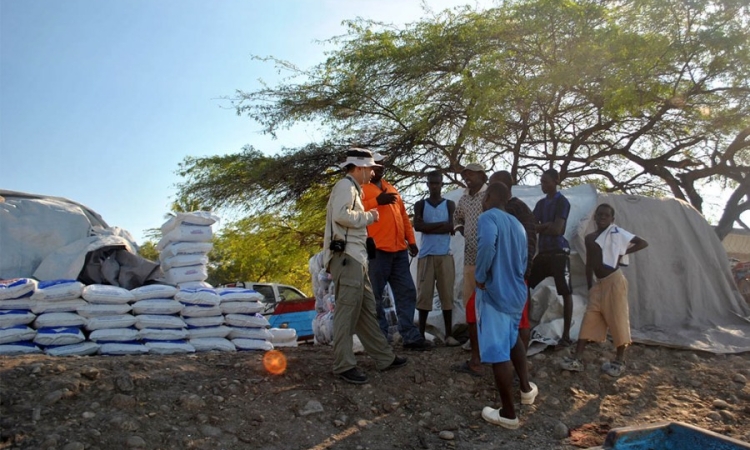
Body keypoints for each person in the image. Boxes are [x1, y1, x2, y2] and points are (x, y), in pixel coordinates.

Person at [324, 148, 408, 384]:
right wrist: (369, 217)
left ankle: (384, 358)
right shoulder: (346, 186)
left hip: (356, 258)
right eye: (370, 168)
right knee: (347, 311)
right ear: (359, 167)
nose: (373, 172)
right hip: (347, 257)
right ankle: (343, 365)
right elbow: (342, 216)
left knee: (366, 311)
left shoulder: (353, 188)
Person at [475, 182, 538, 429]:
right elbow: (524, 260)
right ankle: (525, 390)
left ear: (490, 196)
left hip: (496, 294)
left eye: (484, 195)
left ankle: (509, 414)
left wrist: (480, 277)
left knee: (499, 353)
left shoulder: (488, 217)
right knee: (513, 341)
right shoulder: (518, 225)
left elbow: (487, 246)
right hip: (516, 293)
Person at [560, 203, 648, 377]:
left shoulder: (617, 234)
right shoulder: (591, 238)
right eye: (599, 215)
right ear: (595, 217)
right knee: (589, 317)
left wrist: (623, 252)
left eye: (606, 216)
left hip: (614, 282)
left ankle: (619, 360)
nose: (602, 218)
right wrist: (589, 284)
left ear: (612, 219)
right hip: (599, 283)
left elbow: (642, 242)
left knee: (617, 318)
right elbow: (590, 263)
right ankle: (577, 358)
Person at [362, 153, 432, 351]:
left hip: (399, 250)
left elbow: (402, 216)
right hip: (377, 250)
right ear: (368, 167)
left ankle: (409, 336)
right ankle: (380, 340)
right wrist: (377, 201)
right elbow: (355, 211)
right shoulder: (360, 189)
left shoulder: (391, 188)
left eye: (383, 164)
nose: (380, 167)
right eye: (376, 164)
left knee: (407, 292)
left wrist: (411, 240)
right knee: (375, 296)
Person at [489, 170, 537, 350]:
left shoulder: (509, 210)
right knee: (521, 319)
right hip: (521, 270)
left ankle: (512, 363)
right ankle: (517, 363)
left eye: (492, 186)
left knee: (517, 319)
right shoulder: (522, 208)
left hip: (513, 272)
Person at [528, 168, 574, 348]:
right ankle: (522, 325)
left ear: (556, 180)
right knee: (525, 283)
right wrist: (548, 225)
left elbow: (557, 230)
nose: (543, 185)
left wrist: (543, 226)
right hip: (546, 252)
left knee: (566, 292)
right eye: (541, 181)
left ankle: (566, 335)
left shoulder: (562, 202)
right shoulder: (541, 204)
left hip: (559, 252)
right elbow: (532, 226)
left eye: (546, 181)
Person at [413, 171, 459, 346]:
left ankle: (449, 334)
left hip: (444, 255)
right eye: (431, 183)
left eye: (437, 183)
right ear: (427, 184)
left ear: (442, 184)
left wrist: (429, 227)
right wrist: (442, 226)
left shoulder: (449, 204)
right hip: (426, 255)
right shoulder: (420, 204)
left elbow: (451, 225)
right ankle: (420, 334)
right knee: (424, 295)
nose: (434, 186)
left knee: (447, 294)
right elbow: (418, 226)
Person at [452, 163, 488, 376]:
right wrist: (461, 229)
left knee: (487, 303)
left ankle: (486, 346)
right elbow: (456, 216)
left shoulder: (489, 195)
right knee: (470, 301)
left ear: (482, 176)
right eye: (465, 175)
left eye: (471, 174)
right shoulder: (464, 198)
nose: (467, 178)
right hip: (470, 258)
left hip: (488, 259)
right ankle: (475, 344)